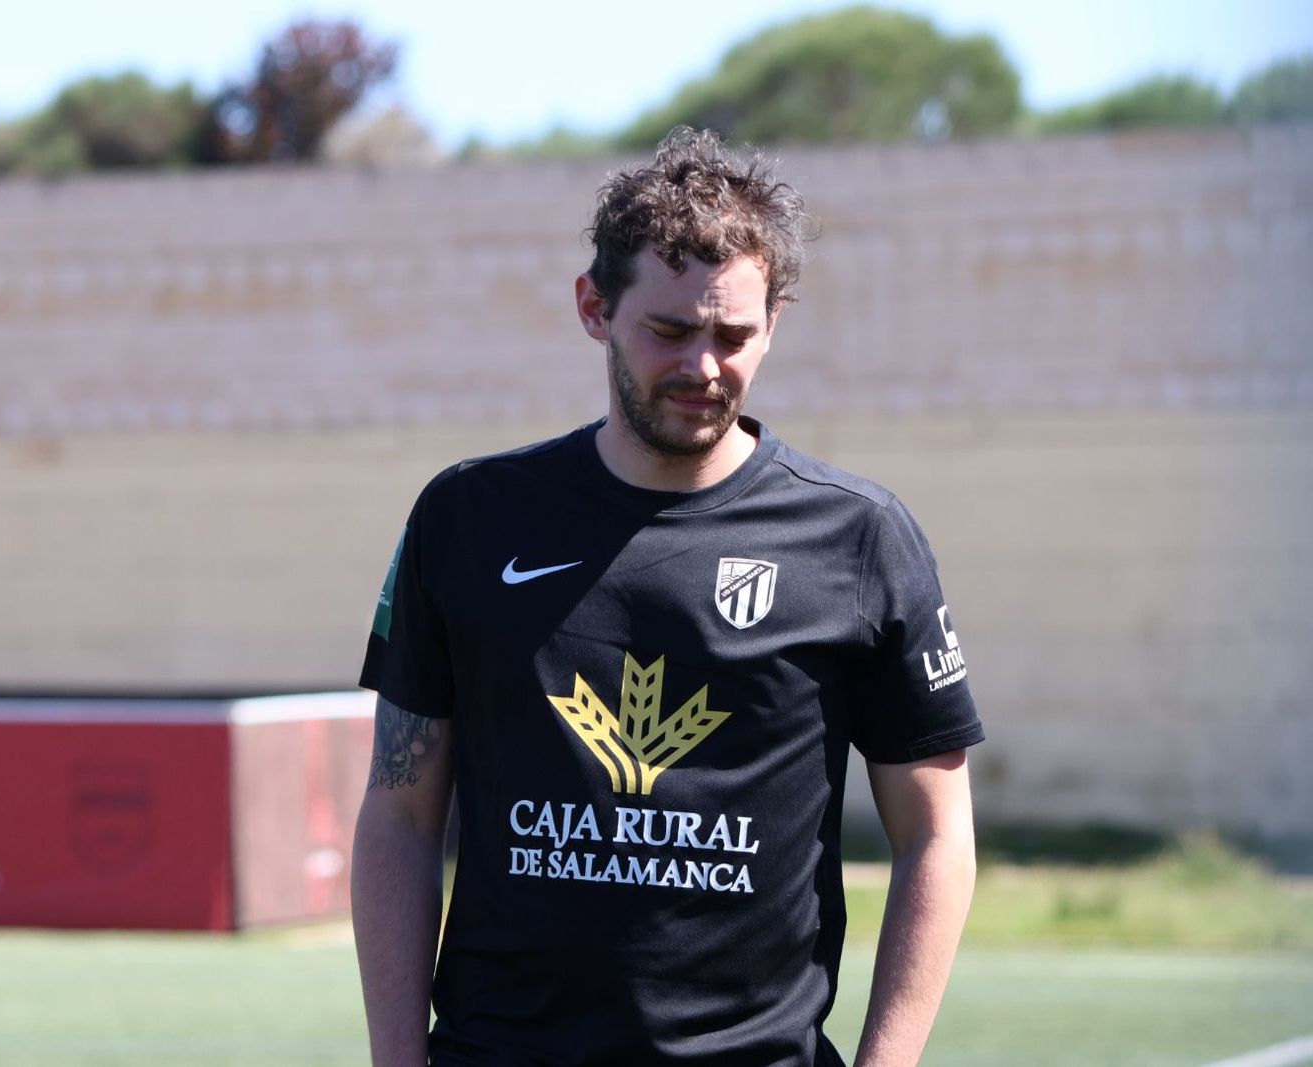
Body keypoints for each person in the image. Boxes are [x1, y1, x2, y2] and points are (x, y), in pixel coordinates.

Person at [351, 126, 983, 1067]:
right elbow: (401, 815)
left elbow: (936, 833)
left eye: (734, 335)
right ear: (593, 308)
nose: (703, 368)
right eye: (670, 330)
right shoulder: (467, 516)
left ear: (774, 324)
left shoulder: (859, 538)